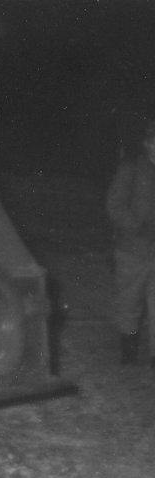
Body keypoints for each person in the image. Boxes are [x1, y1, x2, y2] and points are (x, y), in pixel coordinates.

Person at [106, 120, 155, 367]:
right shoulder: (132, 168)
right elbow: (114, 205)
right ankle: (129, 353)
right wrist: (138, 226)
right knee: (129, 304)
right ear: (148, 144)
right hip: (132, 250)